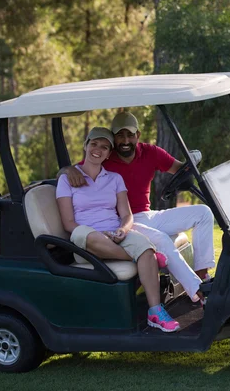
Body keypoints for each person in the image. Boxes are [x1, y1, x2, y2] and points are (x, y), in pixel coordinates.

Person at [64, 112, 215, 300]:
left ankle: (203, 276)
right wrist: (67, 169)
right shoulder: (105, 157)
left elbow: (180, 169)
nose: (125, 140)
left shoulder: (151, 152)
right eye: (120, 135)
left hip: (148, 215)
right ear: (113, 137)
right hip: (123, 220)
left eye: (130, 135)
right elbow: (76, 170)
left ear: (138, 135)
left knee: (203, 213)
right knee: (161, 240)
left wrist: (189, 173)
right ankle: (200, 293)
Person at [56, 127, 180, 332]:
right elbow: (69, 223)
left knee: (144, 246)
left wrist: (123, 229)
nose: (98, 150)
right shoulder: (68, 178)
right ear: (85, 145)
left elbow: (126, 215)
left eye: (105, 147)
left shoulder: (114, 179)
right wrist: (102, 235)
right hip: (85, 240)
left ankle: (155, 312)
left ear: (108, 153)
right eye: (94, 144)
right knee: (136, 251)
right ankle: (139, 257)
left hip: (115, 234)